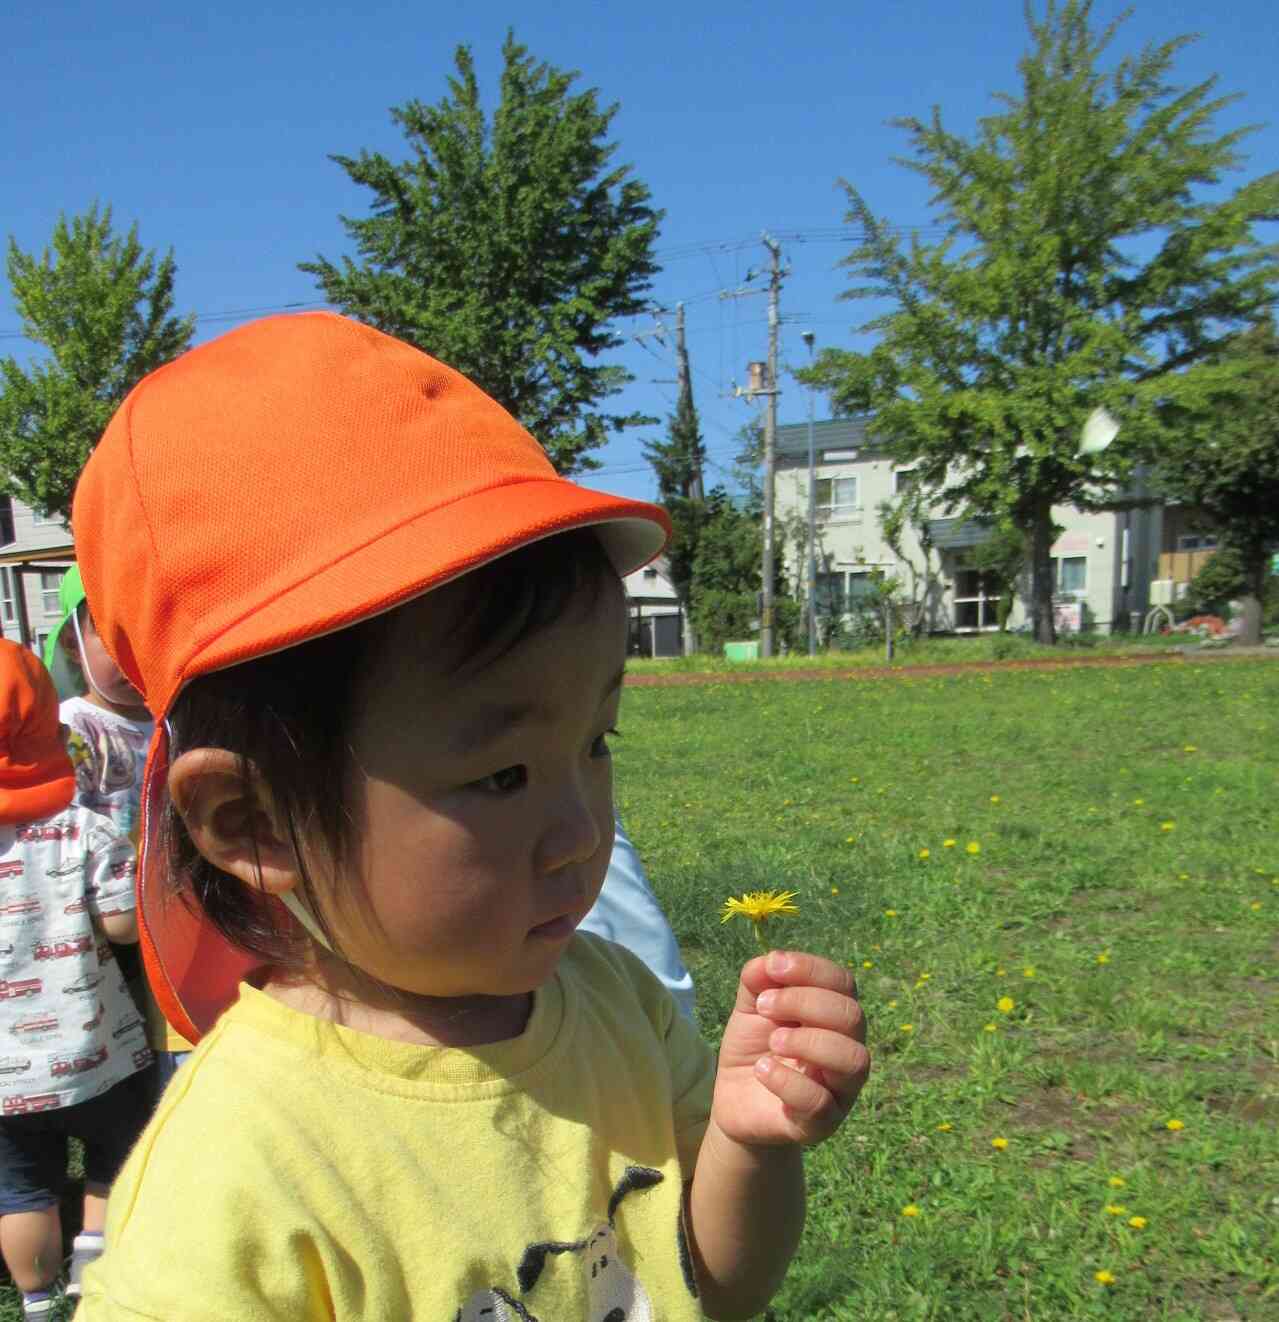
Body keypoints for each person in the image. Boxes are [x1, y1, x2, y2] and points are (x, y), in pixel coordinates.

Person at [73, 312, 869, 1320]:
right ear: (253, 822)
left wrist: (748, 1145)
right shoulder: (236, 1171)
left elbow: (711, 1283)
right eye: (501, 775)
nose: (582, 829)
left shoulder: (614, 1006)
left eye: (597, 741)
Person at [0, 641, 154, 1320]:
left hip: (2, 1076)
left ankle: (36, 1301)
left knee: (21, 1190)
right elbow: (122, 926)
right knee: (112, 1152)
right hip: (95, 1050)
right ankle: (92, 1274)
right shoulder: (80, 828)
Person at [45, 569, 193, 1090]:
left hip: (174, 916)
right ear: (71, 642)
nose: (131, 653)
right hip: (105, 929)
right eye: (110, 637)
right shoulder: (70, 730)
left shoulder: (177, 719)